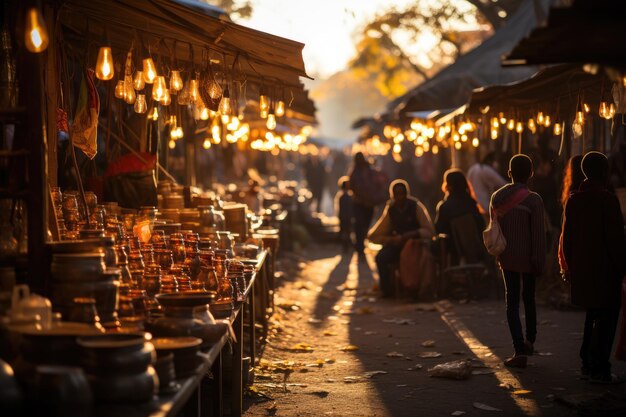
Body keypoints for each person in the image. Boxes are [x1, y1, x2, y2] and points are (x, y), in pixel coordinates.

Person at [561, 151, 626, 384]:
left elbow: (566, 239)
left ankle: (587, 363)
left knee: (592, 315)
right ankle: (600, 366)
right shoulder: (607, 200)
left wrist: (571, 266)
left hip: (583, 268)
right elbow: (616, 239)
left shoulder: (574, 200)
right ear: (605, 172)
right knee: (606, 318)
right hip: (605, 270)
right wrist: (623, 267)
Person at [489, 154, 545, 368]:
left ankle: (518, 349)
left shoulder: (497, 197)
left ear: (509, 173)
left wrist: (498, 255)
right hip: (529, 257)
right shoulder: (534, 199)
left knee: (511, 302)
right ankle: (530, 340)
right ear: (531, 173)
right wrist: (539, 260)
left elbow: (495, 230)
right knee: (529, 298)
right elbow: (538, 234)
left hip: (507, 256)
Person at [368, 179, 434, 298]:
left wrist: (413, 234)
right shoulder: (391, 209)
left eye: (401, 194)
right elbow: (375, 235)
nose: (399, 197)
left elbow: (429, 231)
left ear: (406, 194)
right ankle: (387, 291)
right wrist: (391, 240)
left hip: (415, 244)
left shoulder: (416, 207)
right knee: (381, 257)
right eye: (396, 194)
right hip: (398, 245)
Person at [435, 169, 485, 265]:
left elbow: (438, 230)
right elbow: (481, 226)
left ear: (448, 186)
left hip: (454, 255)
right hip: (478, 252)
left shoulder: (444, 207)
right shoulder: (472, 204)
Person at [349, 152, 387, 258]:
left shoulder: (367, 171)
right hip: (361, 203)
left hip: (368, 203)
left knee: (364, 225)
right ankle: (360, 247)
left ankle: (360, 245)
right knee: (360, 225)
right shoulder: (356, 172)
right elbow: (353, 187)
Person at [335, 176, 353, 252]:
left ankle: (346, 246)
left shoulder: (342, 196)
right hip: (346, 217)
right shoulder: (345, 196)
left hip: (344, 217)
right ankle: (346, 246)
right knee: (346, 232)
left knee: (346, 232)